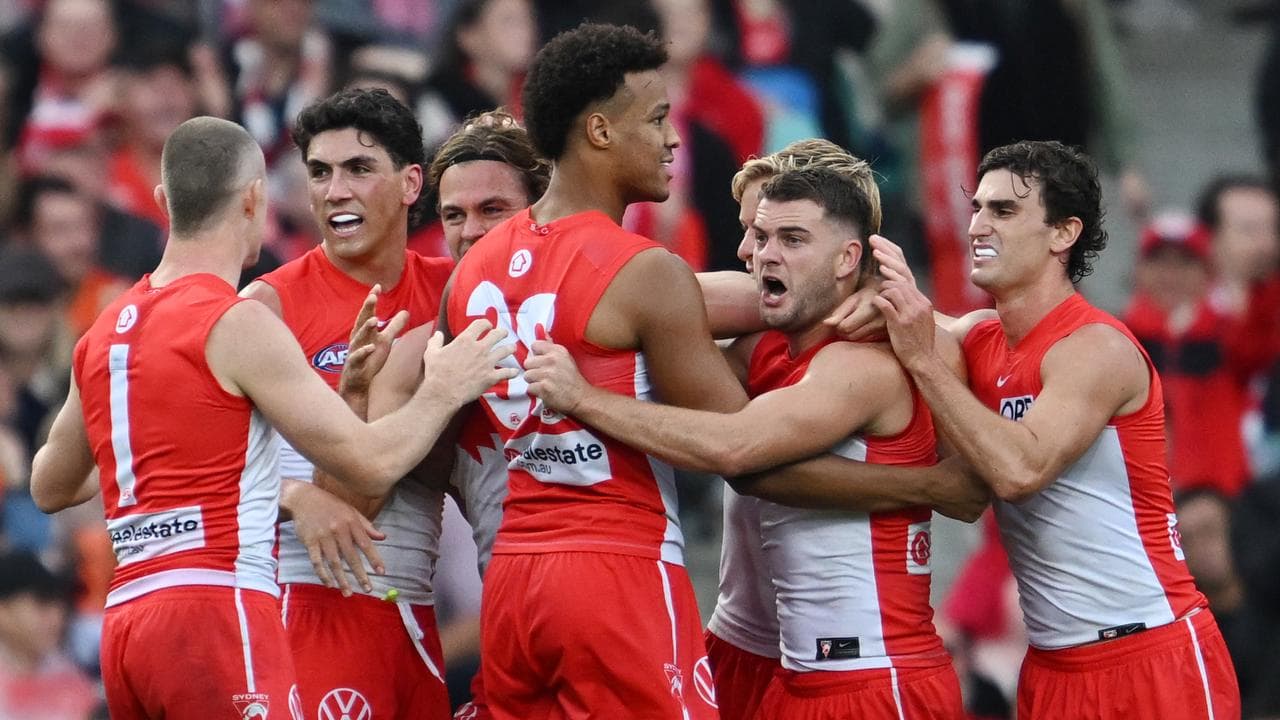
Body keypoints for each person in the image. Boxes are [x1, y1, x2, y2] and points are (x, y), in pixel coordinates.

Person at [27, 115, 515, 720]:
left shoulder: (105, 329)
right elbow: (368, 461)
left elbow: (51, 484)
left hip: (126, 618)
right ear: (255, 199)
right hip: (218, 607)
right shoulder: (238, 320)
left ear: (163, 201)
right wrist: (442, 387)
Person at [524, 166, 967, 718]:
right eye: (761, 237)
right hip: (790, 668)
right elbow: (659, 311)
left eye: (792, 239)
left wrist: (583, 399)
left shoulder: (862, 366)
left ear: (848, 258)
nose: (759, 254)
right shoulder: (765, 351)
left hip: (873, 680)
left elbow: (733, 448)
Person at [868, 139, 1240, 718]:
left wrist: (921, 360)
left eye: (1004, 211)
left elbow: (1020, 471)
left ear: (1064, 233)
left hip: (1149, 655)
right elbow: (894, 316)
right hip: (1052, 666)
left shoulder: (1096, 347)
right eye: (977, 208)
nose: (977, 227)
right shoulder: (980, 337)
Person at [441, 23, 746, 719]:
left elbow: (436, 443)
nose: (674, 139)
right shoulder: (645, 271)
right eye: (660, 119)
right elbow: (741, 442)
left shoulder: (470, 274)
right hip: (618, 567)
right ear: (601, 132)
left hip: (514, 581)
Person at [240, 87, 457, 720]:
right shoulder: (267, 306)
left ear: (412, 182)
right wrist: (296, 496)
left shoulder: (451, 290)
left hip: (413, 604)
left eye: (359, 169)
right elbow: (197, 456)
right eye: (319, 171)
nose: (335, 190)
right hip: (311, 598)